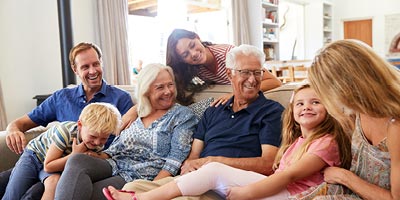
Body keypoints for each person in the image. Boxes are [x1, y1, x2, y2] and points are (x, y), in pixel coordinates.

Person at [103, 84, 352, 200]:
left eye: (315, 102)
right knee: (139, 184)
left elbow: (285, 177)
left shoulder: (326, 142)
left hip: (290, 194)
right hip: (276, 188)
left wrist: (246, 192)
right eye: (299, 103)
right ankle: (139, 195)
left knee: (212, 170)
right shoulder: (297, 141)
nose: (306, 107)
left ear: (328, 108)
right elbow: (281, 172)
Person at [106, 44, 285, 200]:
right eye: (245, 72)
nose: (252, 79)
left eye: (257, 72)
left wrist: (215, 161)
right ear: (230, 75)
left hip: (230, 187)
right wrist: (190, 165)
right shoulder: (214, 110)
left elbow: (268, 164)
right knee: (132, 187)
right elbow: (193, 155)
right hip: (198, 179)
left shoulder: (271, 111)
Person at [0, 42, 134, 199]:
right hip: (41, 156)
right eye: (85, 67)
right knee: (5, 182)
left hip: (66, 169)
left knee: (34, 193)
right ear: (75, 69)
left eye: (96, 64)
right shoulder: (62, 97)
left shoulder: (121, 99)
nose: (93, 71)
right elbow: (21, 123)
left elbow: (125, 146)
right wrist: (12, 129)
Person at [53, 63, 198, 200]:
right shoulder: (138, 111)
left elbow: (176, 159)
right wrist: (98, 155)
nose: (168, 91)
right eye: (160, 87)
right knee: (77, 159)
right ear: (146, 89)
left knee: (87, 192)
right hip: (113, 163)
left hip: (138, 175)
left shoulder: (182, 116)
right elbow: (116, 147)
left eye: (170, 85)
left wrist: (154, 189)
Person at [119, 29, 282, 132]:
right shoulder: (193, 68)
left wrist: (233, 95)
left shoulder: (227, 54)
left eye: (192, 45)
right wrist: (136, 110)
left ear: (198, 37)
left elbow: (274, 81)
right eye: (185, 55)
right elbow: (160, 88)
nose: (194, 54)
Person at [303, 39, 400, 199]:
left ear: (346, 88)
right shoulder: (356, 112)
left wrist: (344, 177)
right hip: (352, 191)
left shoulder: (396, 125)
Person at [2, 102, 122, 200]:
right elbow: (48, 166)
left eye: (104, 138)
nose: (97, 142)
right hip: (35, 156)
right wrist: (75, 155)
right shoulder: (66, 132)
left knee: (54, 183)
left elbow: (100, 155)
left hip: (56, 164)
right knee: (14, 192)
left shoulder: (97, 144)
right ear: (80, 125)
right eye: (93, 136)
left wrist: (99, 156)